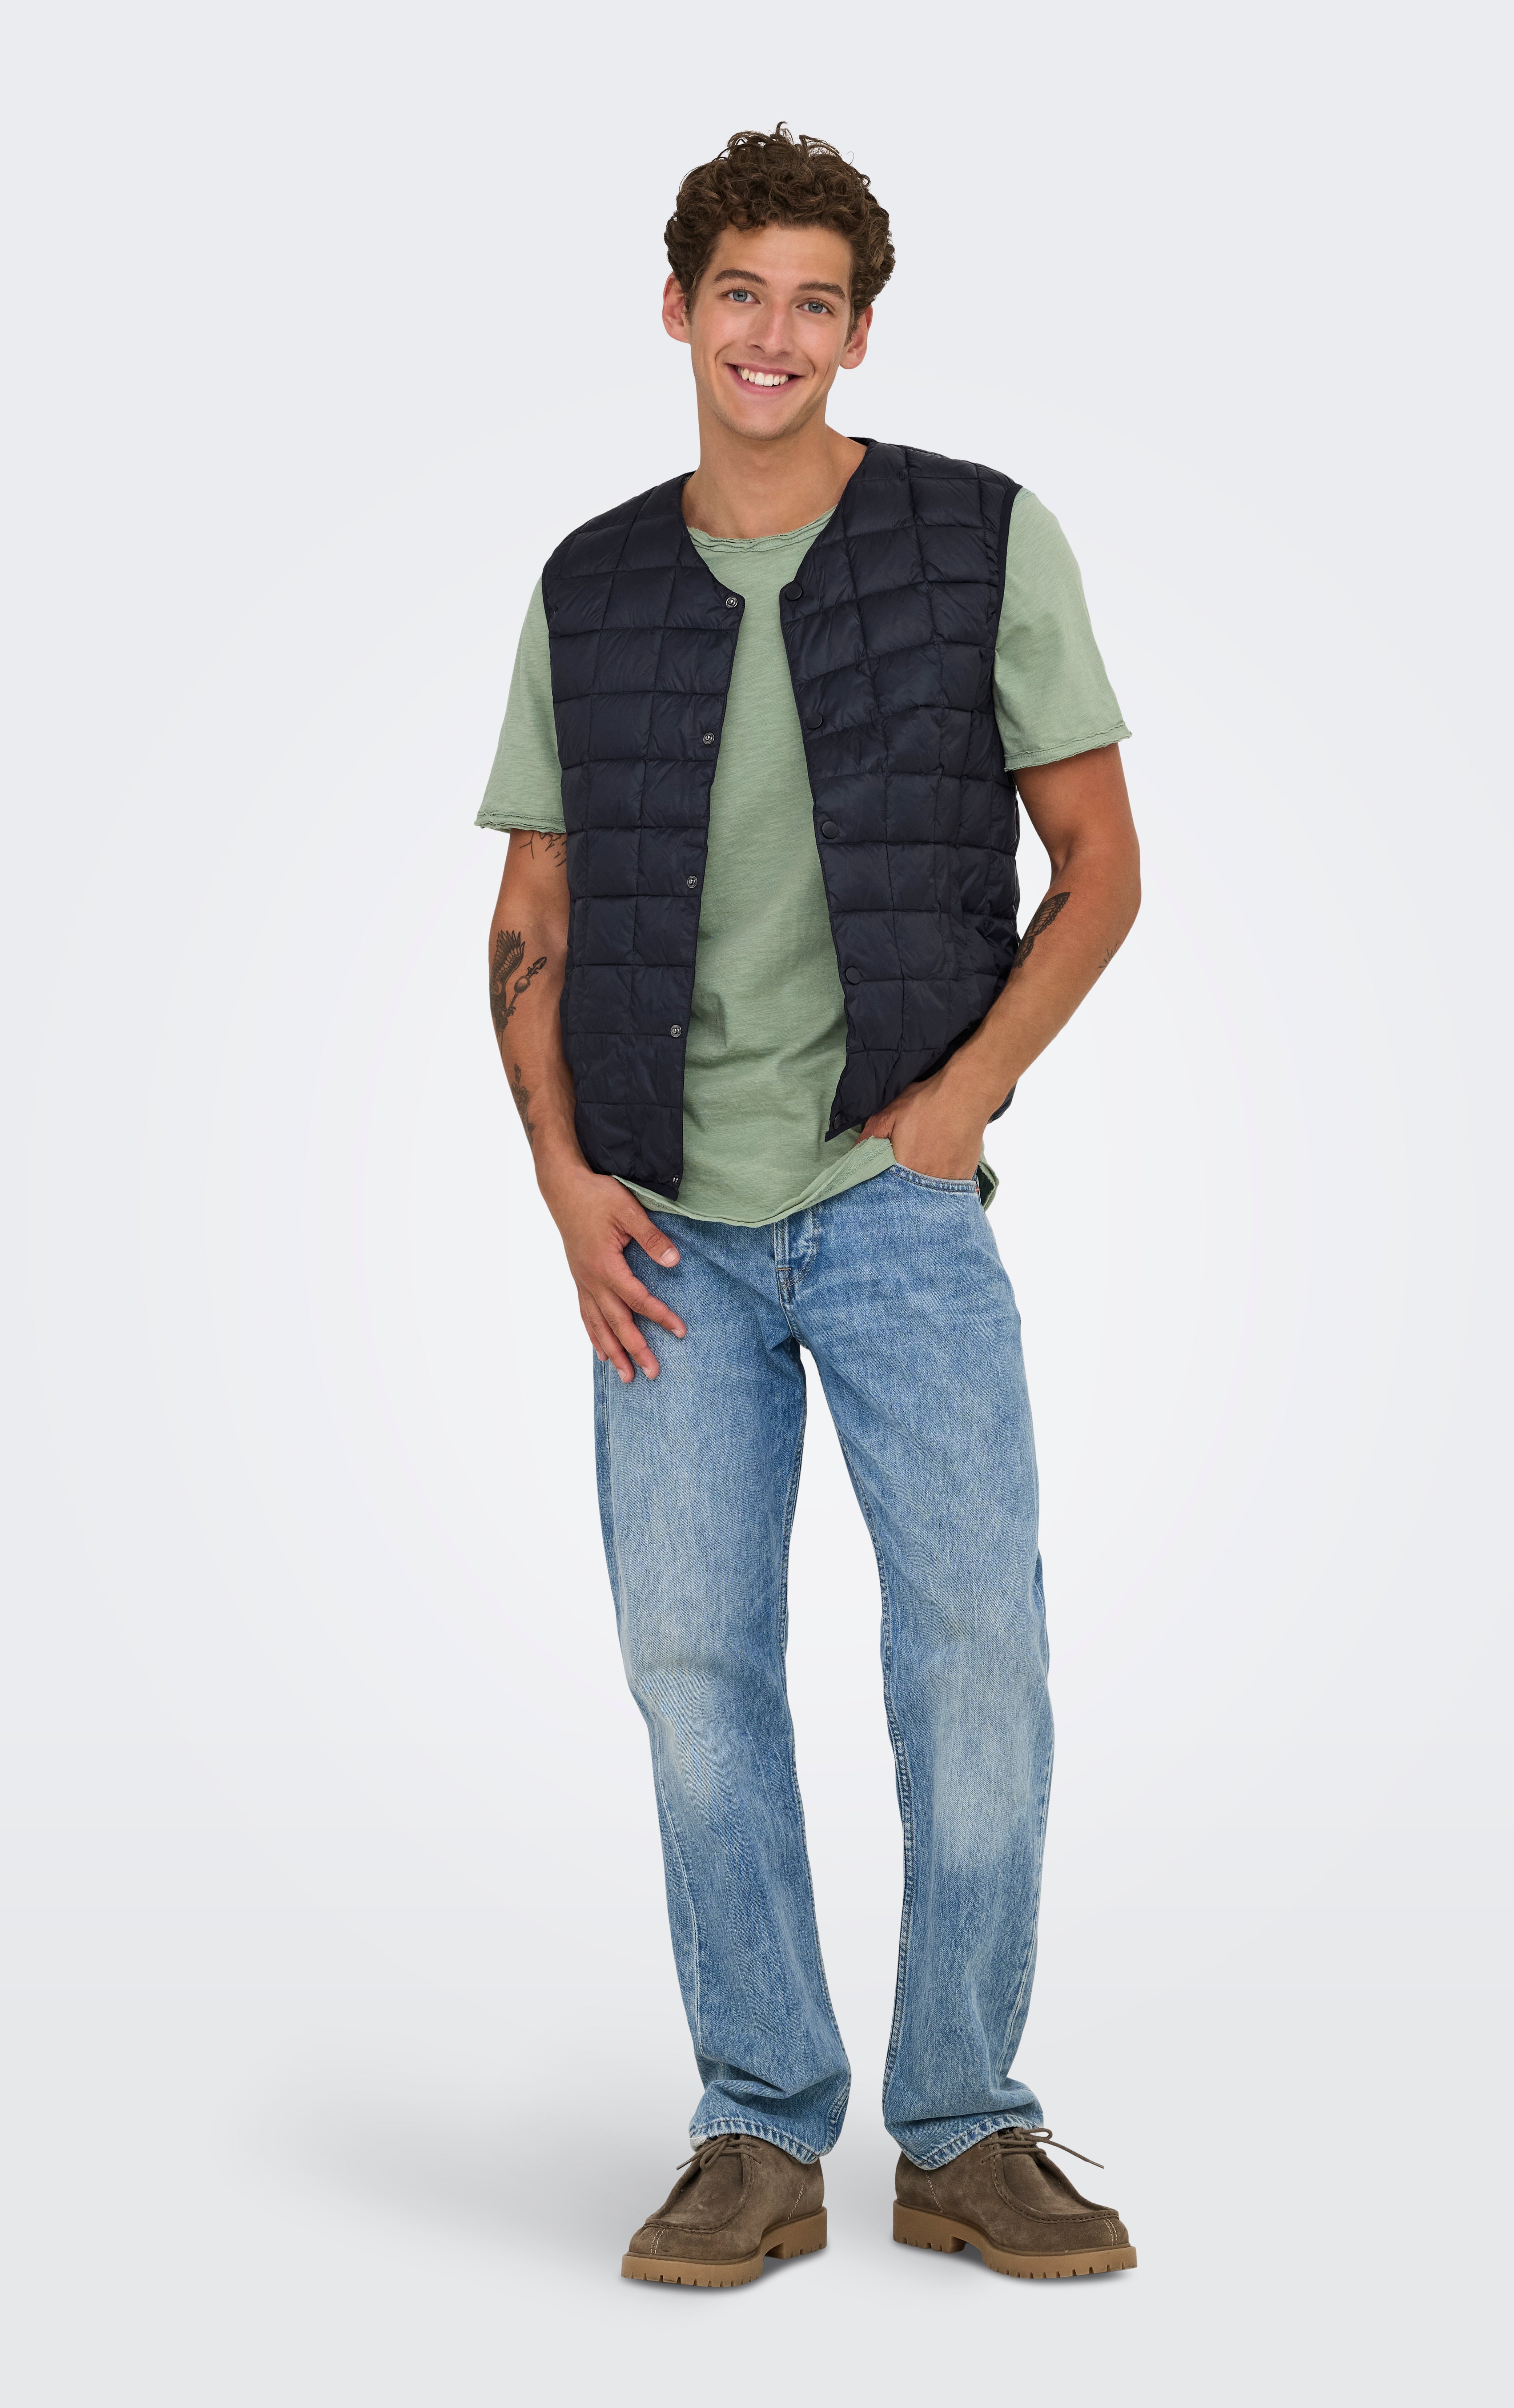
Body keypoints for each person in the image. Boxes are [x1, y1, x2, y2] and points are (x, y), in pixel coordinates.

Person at [477, 125, 1142, 2286]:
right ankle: (759, 2127)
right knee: (694, 1670)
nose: (774, 336)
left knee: (979, 1663)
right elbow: (534, 911)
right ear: (680, 310)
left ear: (860, 331)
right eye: (741, 293)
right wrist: (563, 1181)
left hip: (893, 1202)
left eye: (816, 302)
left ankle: (965, 2126)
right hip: (661, 1222)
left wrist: (960, 1105)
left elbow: (1101, 866)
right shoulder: (588, 584)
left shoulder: (981, 538)